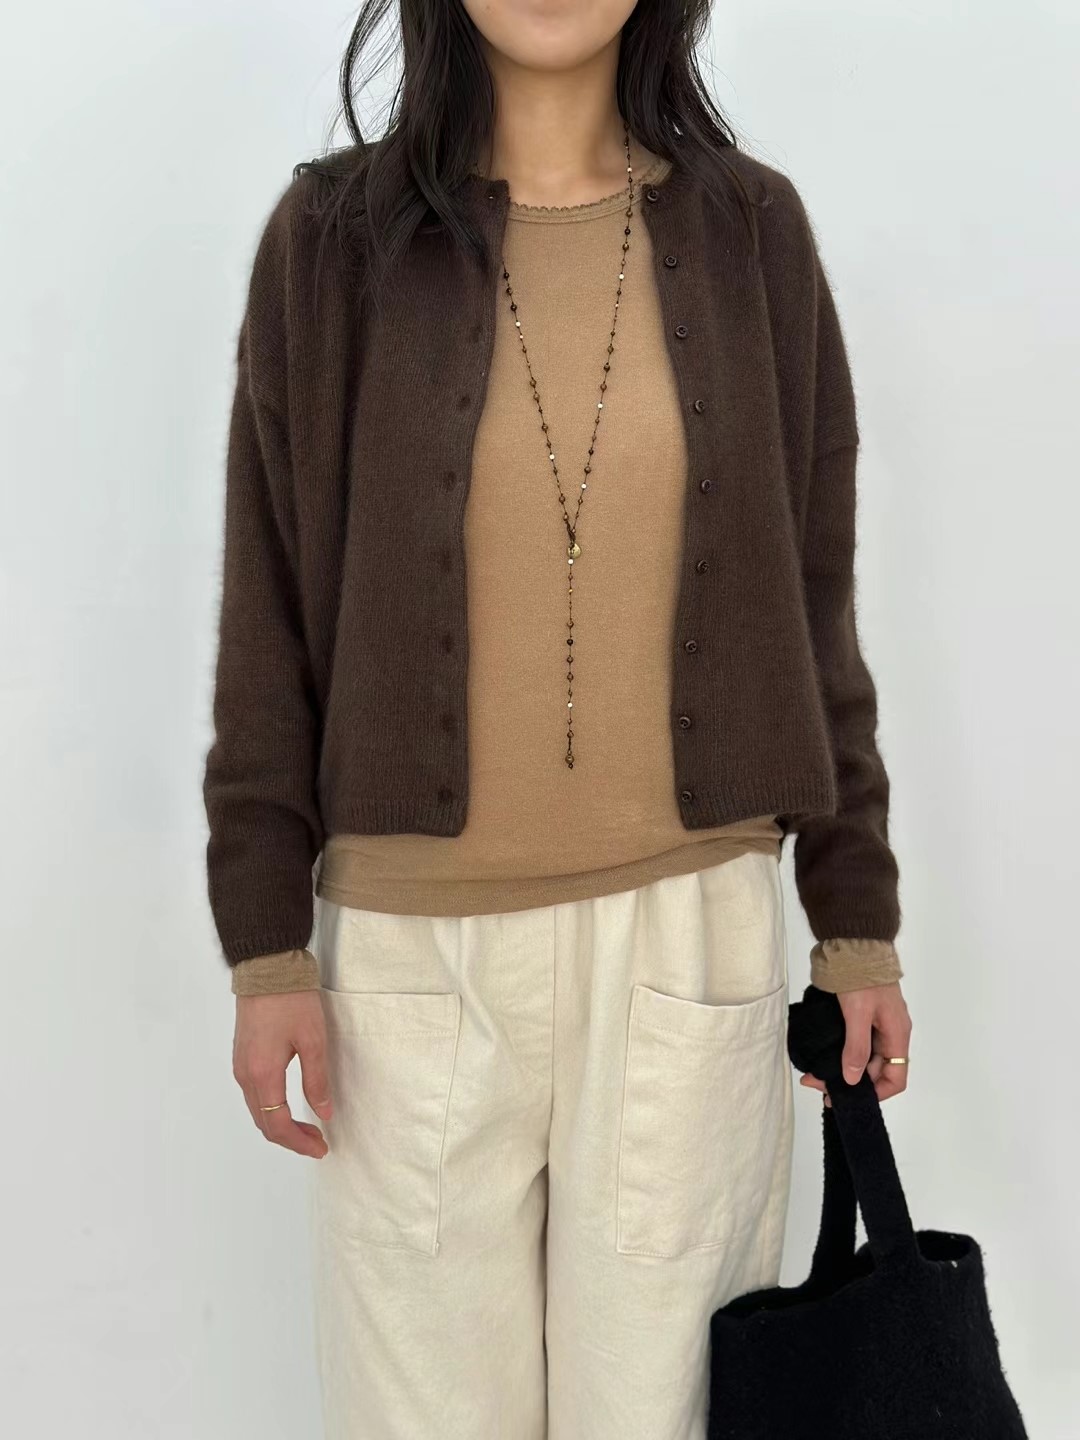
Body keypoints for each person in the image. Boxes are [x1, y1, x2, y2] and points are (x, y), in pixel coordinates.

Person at [202, 2, 912, 1435]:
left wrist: (856, 923)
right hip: (411, 968)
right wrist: (267, 947)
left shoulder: (751, 234)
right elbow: (269, 611)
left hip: (687, 947)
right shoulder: (331, 244)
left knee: (660, 1416)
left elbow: (813, 595)